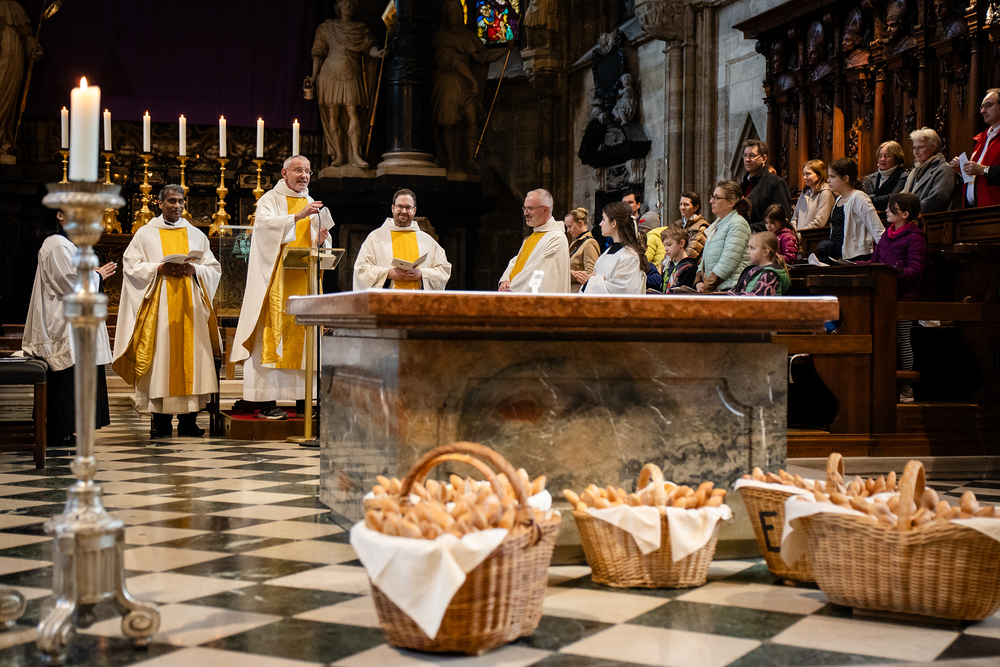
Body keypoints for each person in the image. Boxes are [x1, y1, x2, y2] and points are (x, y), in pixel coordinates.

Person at [113, 185, 222, 438]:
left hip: (190, 308)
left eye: (181, 201)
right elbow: (130, 266)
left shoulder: (196, 235)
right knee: (160, 358)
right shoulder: (145, 234)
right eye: (172, 201)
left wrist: (195, 270)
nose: (177, 205)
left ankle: (188, 421)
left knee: (193, 359)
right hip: (159, 307)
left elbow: (213, 268)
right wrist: (158, 269)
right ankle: (160, 421)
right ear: (160, 203)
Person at [231, 156, 332, 421]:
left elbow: (320, 241)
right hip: (276, 282)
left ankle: (305, 401)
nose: (304, 176)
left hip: (304, 282)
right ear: (284, 173)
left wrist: (321, 242)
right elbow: (264, 230)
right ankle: (267, 402)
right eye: (298, 170)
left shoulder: (312, 203)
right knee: (271, 336)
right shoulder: (270, 200)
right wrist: (297, 216)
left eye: (308, 171)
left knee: (305, 340)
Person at [22, 209, 114, 445]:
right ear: (60, 215)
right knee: (65, 377)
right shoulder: (57, 243)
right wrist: (98, 276)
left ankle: (65, 429)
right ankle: (58, 430)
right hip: (63, 323)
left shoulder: (67, 244)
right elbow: (70, 282)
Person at [864, 192, 927, 402]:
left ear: (905, 214)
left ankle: (905, 387)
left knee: (901, 339)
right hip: (884, 293)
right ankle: (883, 386)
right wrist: (856, 266)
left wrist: (889, 276)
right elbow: (875, 261)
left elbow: (915, 270)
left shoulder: (915, 237)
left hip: (904, 295)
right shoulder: (887, 234)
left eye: (893, 209)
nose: (887, 211)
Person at [308, 0, 385, 169]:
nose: (348, 6)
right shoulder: (327, 27)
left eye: (351, 3)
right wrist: (313, 77)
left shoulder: (360, 29)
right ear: (338, 7)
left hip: (351, 73)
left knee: (353, 112)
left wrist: (377, 53)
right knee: (333, 114)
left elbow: (369, 47)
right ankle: (339, 155)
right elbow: (318, 53)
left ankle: (355, 154)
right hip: (330, 74)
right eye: (344, 3)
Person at [353, 189, 452, 290]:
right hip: (386, 298)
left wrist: (422, 274)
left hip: (418, 298)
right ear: (393, 208)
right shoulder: (375, 238)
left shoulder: (427, 241)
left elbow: (443, 270)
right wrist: (388, 273)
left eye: (408, 207)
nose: (404, 211)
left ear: (414, 210)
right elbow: (361, 270)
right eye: (400, 206)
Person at [814, 158, 884, 264]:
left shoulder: (859, 198)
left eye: (832, 176)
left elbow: (877, 229)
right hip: (839, 256)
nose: (828, 180)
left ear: (846, 178)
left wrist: (887, 256)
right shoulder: (839, 199)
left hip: (857, 256)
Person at [499, 189, 570, 293]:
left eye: (530, 209)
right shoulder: (535, 235)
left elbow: (538, 271)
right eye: (524, 208)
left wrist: (512, 288)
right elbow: (517, 261)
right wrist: (505, 280)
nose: (525, 213)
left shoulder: (556, 237)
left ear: (545, 210)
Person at [576, 201, 645, 294]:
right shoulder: (606, 253)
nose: (600, 224)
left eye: (604, 219)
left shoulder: (630, 256)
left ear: (614, 223)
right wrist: (590, 281)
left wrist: (590, 282)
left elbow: (623, 290)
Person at [695, 181, 752, 292]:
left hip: (731, 289)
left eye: (716, 197)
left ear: (731, 202)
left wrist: (706, 286)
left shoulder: (738, 223)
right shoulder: (716, 225)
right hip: (715, 289)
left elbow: (728, 262)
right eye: (712, 196)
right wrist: (698, 282)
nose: (711, 201)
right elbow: (704, 260)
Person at [949, 88, 1000, 208]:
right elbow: (977, 178)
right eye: (982, 107)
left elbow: (982, 171)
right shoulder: (982, 138)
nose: (982, 111)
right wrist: (963, 171)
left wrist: (983, 170)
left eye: (988, 105)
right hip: (974, 209)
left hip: (994, 210)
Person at [740, 140, 791, 232]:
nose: (747, 159)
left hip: (763, 237)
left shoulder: (776, 183)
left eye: (752, 155)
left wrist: (744, 229)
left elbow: (780, 219)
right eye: (745, 155)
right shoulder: (742, 185)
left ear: (764, 158)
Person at [902, 127, 955, 213]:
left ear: (933, 147)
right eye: (914, 148)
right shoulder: (914, 171)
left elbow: (936, 201)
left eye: (920, 147)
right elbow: (903, 196)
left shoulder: (944, 169)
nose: (916, 152)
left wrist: (907, 213)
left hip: (929, 220)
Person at [729, 232, 791, 296]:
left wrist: (733, 296)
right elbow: (735, 290)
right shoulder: (751, 270)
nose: (748, 252)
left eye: (752, 248)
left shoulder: (770, 275)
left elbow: (757, 298)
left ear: (765, 252)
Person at [861, 141, 908, 211]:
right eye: (880, 156)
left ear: (897, 159)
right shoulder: (870, 178)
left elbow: (892, 200)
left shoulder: (903, 176)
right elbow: (861, 199)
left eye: (887, 156)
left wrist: (869, 199)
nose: (882, 159)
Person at [791, 159, 835, 229]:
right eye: (804, 174)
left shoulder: (826, 193)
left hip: (814, 235)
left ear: (819, 175)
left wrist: (802, 233)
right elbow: (795, 218)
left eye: (808, 174)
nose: (805, 177)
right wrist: (794, 232)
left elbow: (820, 221)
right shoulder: (804, 193)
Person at [653, 225, 697, 293]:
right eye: (664, 245)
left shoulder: (689, 267)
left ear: (681, 243)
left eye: (669, 245)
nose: (665, 249)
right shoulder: (669, 266)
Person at [566, 207, 599, 294]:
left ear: (580, 223)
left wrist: (564, 273)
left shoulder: (590, 243)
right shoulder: (575, 244)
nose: (568, 231)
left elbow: (590, 274)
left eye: (570, 226)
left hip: (578, 292)